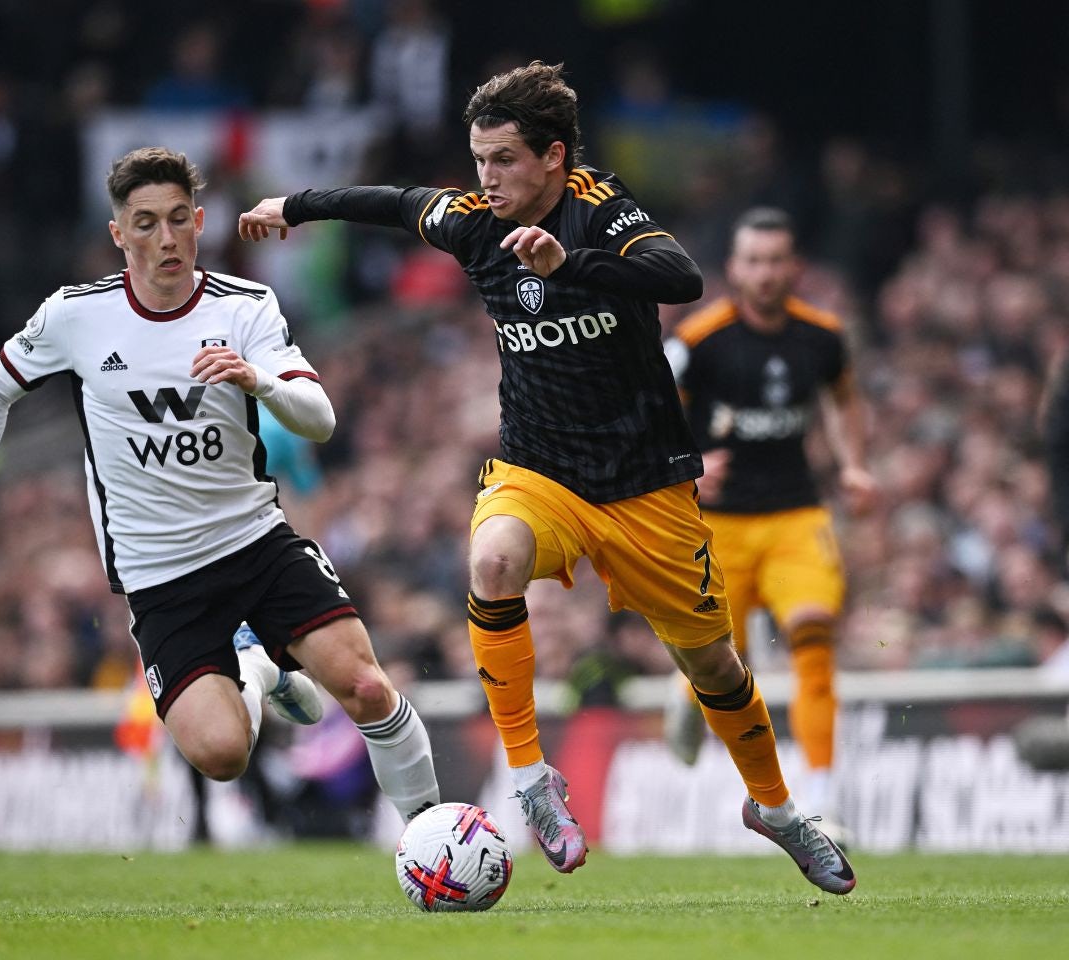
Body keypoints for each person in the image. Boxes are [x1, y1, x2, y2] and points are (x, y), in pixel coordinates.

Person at [239, 61, 855, 893]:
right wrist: (298, 206)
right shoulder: (472, 221)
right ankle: (532, 781)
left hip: (645, 485)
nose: (485, 179)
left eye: (502, 161)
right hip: (541, 470)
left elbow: (682, 276)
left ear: (554, 157)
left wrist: (572, 264)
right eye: (478, 159)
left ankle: (776, 812)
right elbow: (395, 201)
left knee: (712, 668)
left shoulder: (602, 208)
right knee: (492, 563)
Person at [0, 146, 439, 827]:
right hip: (160, 576)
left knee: (368, 687)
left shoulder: (245, 306)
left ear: (201, 222)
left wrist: (256, 380)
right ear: (118, 235)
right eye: (144, 223)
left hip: (257, 543)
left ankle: (433, 833)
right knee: (223, 753)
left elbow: (319, 419)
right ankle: (259, 670)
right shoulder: (75, 316)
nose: (165, 239)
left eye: (178, 219)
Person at [662, 206, 878, 844]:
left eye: (776, 261)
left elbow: (843, 397)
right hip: (719, 526)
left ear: (795, 267)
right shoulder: (699, 342)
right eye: (753, 261)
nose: (765, 273)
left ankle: (823, 798)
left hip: (794, 515)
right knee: (728, 663)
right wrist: (689, 465)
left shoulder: (822, 336)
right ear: (734, 268)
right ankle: (689, 690)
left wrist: (856, 465)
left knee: (814, 636)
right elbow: (653, 403)